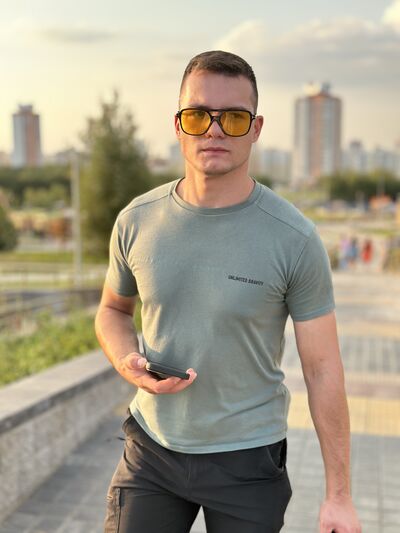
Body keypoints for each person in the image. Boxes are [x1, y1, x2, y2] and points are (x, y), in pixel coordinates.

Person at [95, 50, 361, 533]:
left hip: (248, 459)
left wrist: (339, 496)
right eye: (198, 115)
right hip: (152, 449)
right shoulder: (136, 220)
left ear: (255, 129)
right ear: (178, 126)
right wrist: (125, 358)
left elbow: (323, 369)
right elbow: (113, 309)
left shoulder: (294, 238)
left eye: (233, 118)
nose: (214, 130)